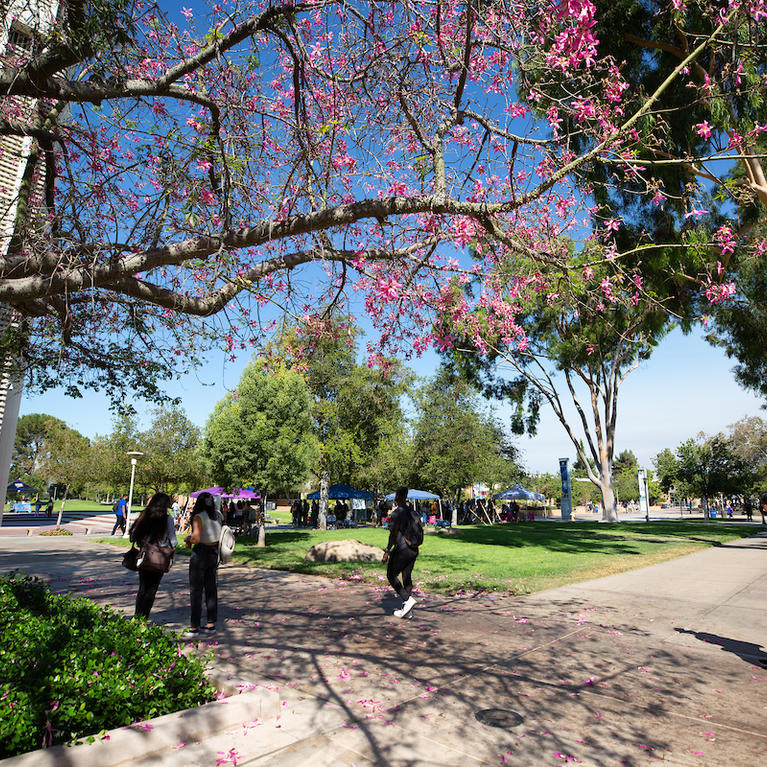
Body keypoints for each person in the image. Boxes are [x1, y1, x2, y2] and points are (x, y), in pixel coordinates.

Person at [128, 492, 177, 619]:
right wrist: (172, 554)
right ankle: (144, 617)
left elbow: (133, 534)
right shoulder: (167, 519)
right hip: (160, 556)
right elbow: (173, 540)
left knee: (143, 588)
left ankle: (137, 617)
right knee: (152, 589)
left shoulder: (145, 515)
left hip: (145, 555)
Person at [183, 491, 223, 638]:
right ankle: (211, 623)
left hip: (200, 553)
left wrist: (188, 538)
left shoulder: (199, 517)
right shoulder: (217, 515)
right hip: (213, 552)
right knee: (211, 588)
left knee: (196, 591)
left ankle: (194, 626)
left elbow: (196, 539)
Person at [382, 486, 421, 619]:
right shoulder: (413, 512)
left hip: (402, 550)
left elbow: (393, 534)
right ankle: (407, 610)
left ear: (398, 496)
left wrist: (387, 551)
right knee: (406, 577)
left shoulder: (397, 513)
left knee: (391, 574)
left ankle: (407, 600)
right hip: (414, 549)